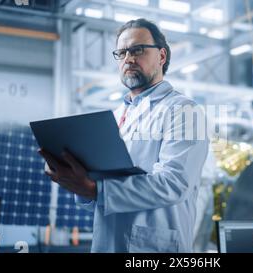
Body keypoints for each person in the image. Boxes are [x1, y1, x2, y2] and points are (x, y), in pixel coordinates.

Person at [38, 18, 209, 253]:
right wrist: (80, 183)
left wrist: (95, 189)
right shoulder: (118, 115)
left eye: (137, 50)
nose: (128, 59)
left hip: (156, 248)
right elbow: (104, 196)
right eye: (121, 53)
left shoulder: (184, 110)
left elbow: (173, 183)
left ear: (161, 56)